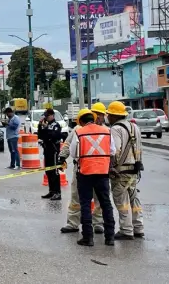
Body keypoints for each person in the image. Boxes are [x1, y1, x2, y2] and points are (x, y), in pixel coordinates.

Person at [64, 108, 116, 246]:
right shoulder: (106, 131)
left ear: (80, 121)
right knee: (106, 204)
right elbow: (112, 151)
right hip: (103, 173)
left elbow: (74, 153)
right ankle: (110, 237)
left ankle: (88, 237)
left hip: (85, 172)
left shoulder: (79, 132)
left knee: (85, 204)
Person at [59, 102, 107, 234]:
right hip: (82, 168)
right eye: (99, 115)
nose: (101, 118)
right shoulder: (78, 129)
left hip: (98, 168)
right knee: (76, 196)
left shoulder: (105, 131)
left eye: (102, 115)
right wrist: (62, 157)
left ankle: (98, 223)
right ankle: (73, 223)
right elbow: (68, 144)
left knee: (98, 198)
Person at [106, 101, 145, 240]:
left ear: (113, 116)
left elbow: (115, 150)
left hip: (120, 171)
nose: (107, 118)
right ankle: (138, 227)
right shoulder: (134, 127)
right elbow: (139, 148)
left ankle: (126, 230)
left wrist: (111, 166)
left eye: (109, 115)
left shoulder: (116, 129)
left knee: (121, 200)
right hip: (134, 169)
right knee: (134, 199)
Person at [37, 108, 62, 200]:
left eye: (48, 116)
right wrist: (40, 126)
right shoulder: (46, 125)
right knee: (48, 171)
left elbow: (55, 135)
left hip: (54, 151)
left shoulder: (56, 125)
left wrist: (46, 128)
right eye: (45, 116)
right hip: (47, 150)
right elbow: (41, 135)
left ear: (52, 115)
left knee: (54, 172)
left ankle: (57, 192)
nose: (46, 118)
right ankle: (51, 191)